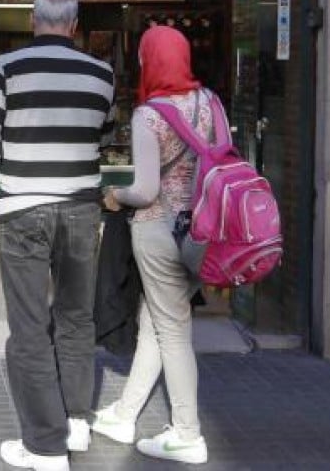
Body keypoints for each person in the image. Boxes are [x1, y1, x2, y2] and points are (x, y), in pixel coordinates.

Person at [0, 0, 116, 471]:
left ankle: (46, 447)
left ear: (34, 20)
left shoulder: (4, 69)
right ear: (74, 23)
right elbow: (104, 140)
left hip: (23, 211)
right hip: (82, 209)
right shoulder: (102, 73)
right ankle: (76, 423)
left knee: (29, 328)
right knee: (76, 318)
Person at [101, 25, 212, 465]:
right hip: (202, 231)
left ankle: (188, 432)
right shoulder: (212, 104)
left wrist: (115, 195)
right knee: (158, 322)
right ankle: (125, 414)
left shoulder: (149, 115)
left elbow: (144, 190)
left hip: (159, 231)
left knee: (174, 334)